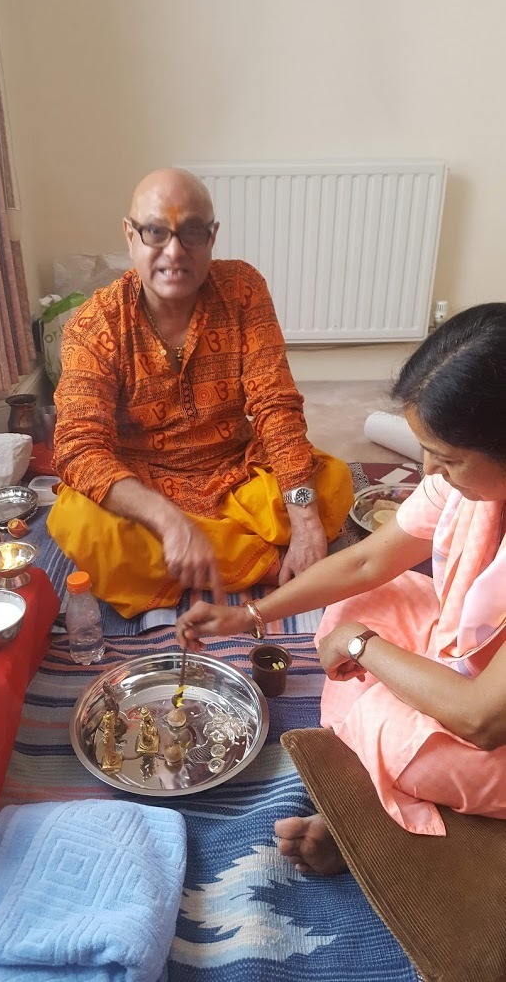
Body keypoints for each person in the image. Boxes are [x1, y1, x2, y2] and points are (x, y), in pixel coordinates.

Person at [176, 302, 506, 872]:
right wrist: (250, 615)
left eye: (448, 459)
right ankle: (380, 752)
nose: (430, 472)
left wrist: (361, 645)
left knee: (388, 724)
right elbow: (366, 562)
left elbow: (481, 719)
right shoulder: (465, 485)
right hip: (472, 659)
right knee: (363, 600)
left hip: (490, 723)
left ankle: (361, 819)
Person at [47, 168, 353, 619]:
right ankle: (265, 563)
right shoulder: (94, 325)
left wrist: (305, 522)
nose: (174, 252)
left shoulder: (243, 288)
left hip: (235, 472)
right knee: (78, 522)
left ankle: (195, 564)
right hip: (142, 485)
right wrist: (168, 521)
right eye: (156, 232)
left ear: (212, 236)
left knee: (331, 482)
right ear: (130, 235)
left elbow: (275, 404)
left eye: (191, 232)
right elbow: (78, 448)